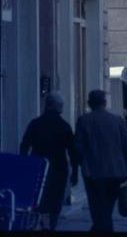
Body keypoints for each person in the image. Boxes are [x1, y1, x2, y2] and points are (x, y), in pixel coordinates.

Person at [75, 89, 127, 232]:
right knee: (106, 209)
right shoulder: (118, 120)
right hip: (117, 172)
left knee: (98, 211)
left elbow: (78, 148)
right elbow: (126, 149)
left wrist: (79, 166)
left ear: (89, 103)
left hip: (94, 173)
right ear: (105, 102)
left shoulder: (84, 121)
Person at [20, 92, 78, 231]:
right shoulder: (64, 126)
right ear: (57, 106)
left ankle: (40, 223)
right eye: (61, 105)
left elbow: (24, 145)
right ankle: (50, 225)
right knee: (55, 201)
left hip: (38, 168)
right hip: (58, 169)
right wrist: (75, 172)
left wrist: (24, 165)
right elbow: (72, 151)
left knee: (39, 199)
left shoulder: (35, 124)